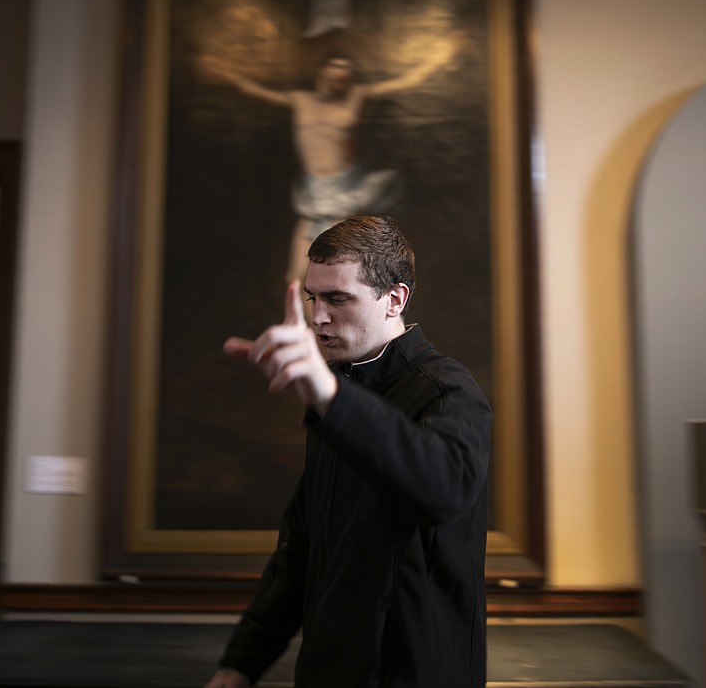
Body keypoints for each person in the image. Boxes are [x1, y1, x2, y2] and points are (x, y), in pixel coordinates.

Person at [206, 215, 492, 688]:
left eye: (338, 298)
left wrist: (328, 396)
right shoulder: (336, 390)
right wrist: (238, 667)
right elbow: (302, 552)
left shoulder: (448, 390)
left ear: (394, 299)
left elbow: (442, 489)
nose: (319, 316)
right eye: (312, 297)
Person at [199, 39, 459, 283]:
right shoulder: (300, 100)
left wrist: (440, 56)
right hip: (314, 190)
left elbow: (405, 82)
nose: (340, 79)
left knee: (331, 269)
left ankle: (330, 327)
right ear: (322, 73)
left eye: (345, 74)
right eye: (335, 72)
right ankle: (308, 331)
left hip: (344, 190)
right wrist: (222, 69)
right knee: (296, 276)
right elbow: (252, 89)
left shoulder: (356, 95)